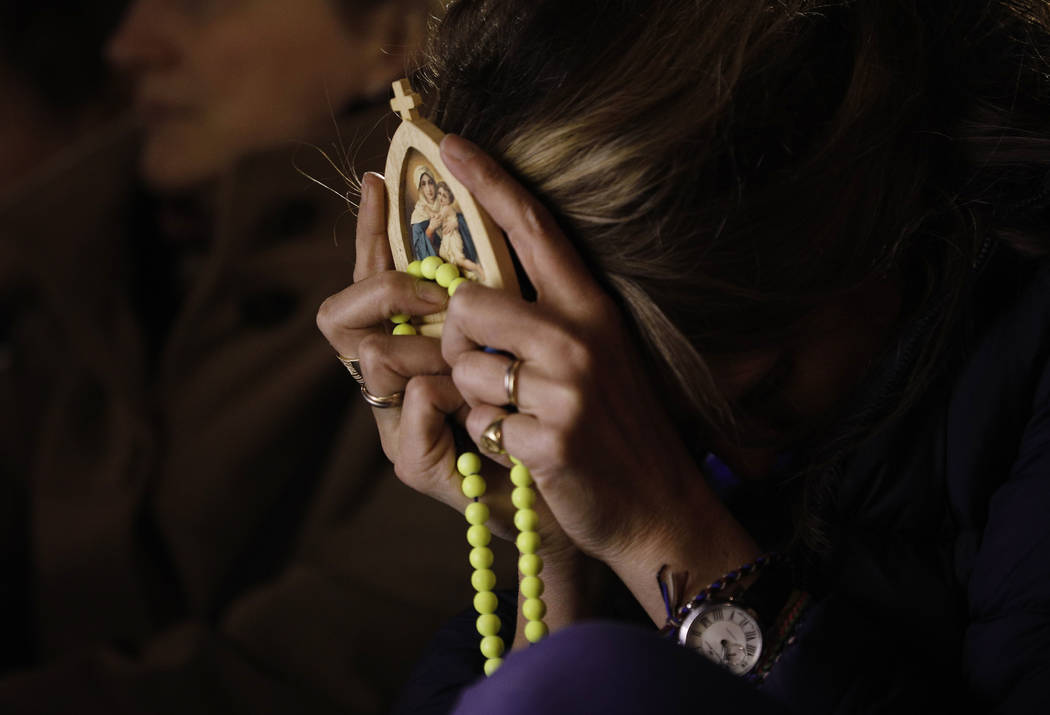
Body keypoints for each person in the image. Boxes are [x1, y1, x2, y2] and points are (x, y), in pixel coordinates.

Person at [317, 0, 1050, 712]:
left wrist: (661, 529)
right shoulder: (609, 451)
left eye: (764, 393)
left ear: (862, 217)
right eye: (670, 431)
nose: (736, 462)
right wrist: (562, 546)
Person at [0, 1, 505, 713]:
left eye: (197, 8)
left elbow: (340, 656)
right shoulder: (75, 268)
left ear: (392, 32)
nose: (129, 45)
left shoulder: (463, 282)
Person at [432, 183, 482, 279]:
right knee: (444, 256)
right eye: (439, 193)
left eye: (444, 196)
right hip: (447, 239)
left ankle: (477, 267)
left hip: (453, 238)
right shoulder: (443, 207)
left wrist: (427, 210)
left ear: (450, 199)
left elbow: (438, 218)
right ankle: (465, 274)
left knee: (459, 260)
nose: (441, 197)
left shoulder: (446, 208)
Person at [410, 166, 441, 259]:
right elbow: (421, 251)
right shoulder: (418, 215)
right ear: (419, 187)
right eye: (423, 184)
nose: (428, 189)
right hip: (436, 264)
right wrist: (430, 229)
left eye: (430, 183)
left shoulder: (444, 202)